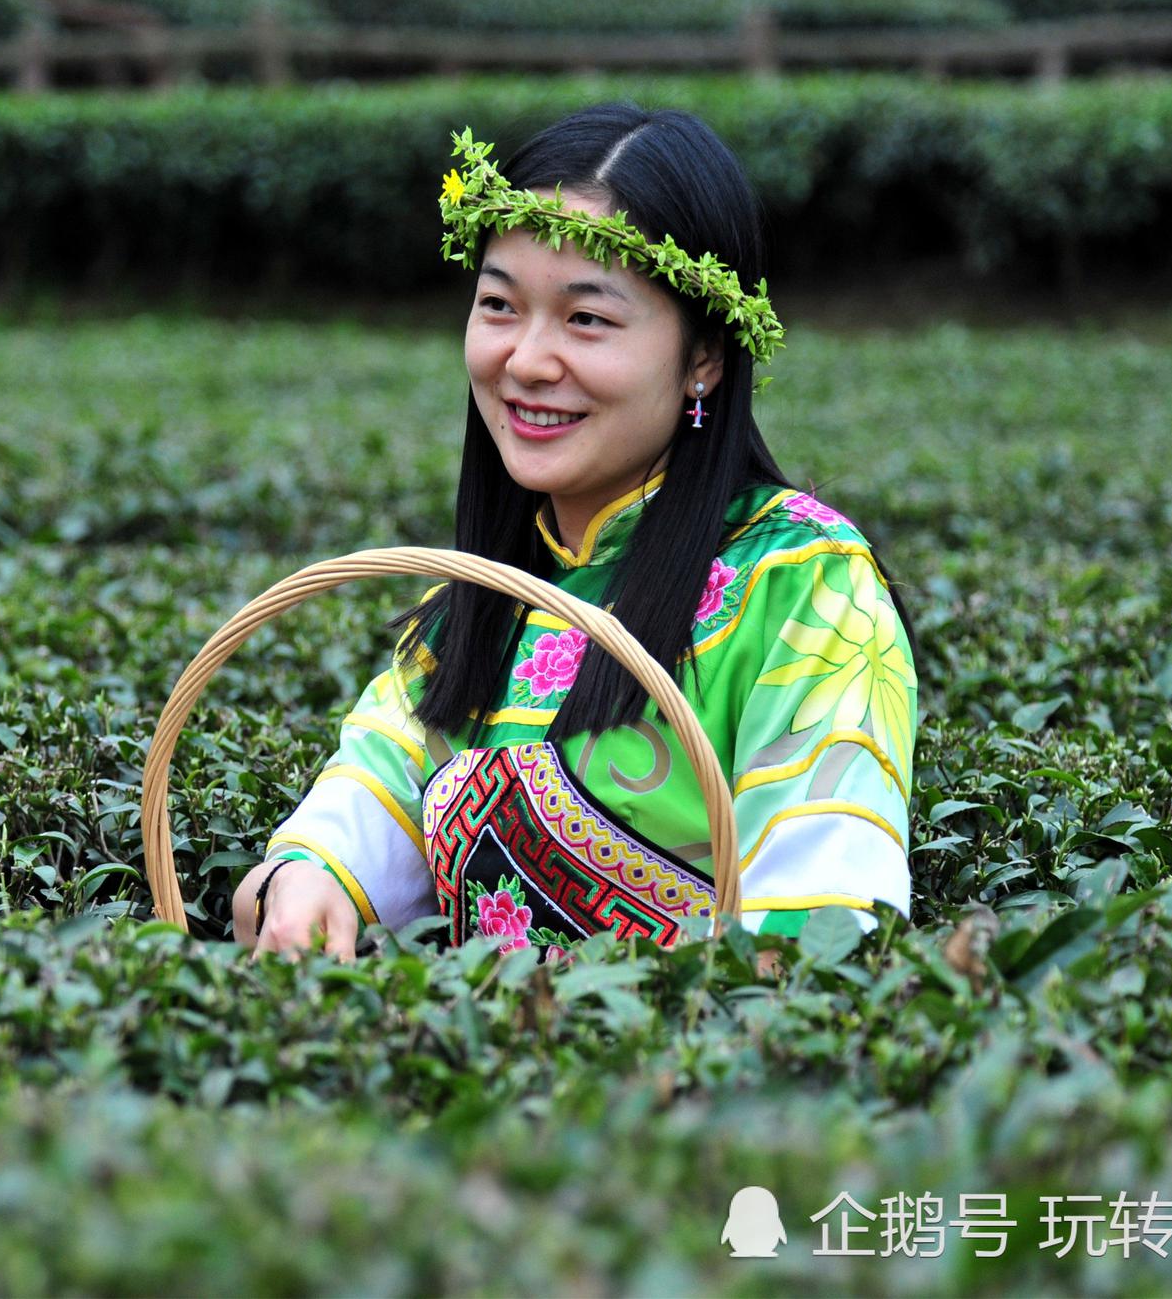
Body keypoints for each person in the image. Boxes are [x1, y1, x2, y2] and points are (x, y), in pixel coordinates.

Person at [232, 102, 919, 964]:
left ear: (703, 355)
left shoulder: (803, 587)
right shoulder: (470, 615)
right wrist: (301, 881)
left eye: (586, 318)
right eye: (499, 306)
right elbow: (365, 799)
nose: (525, 360)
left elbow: (827, 932)